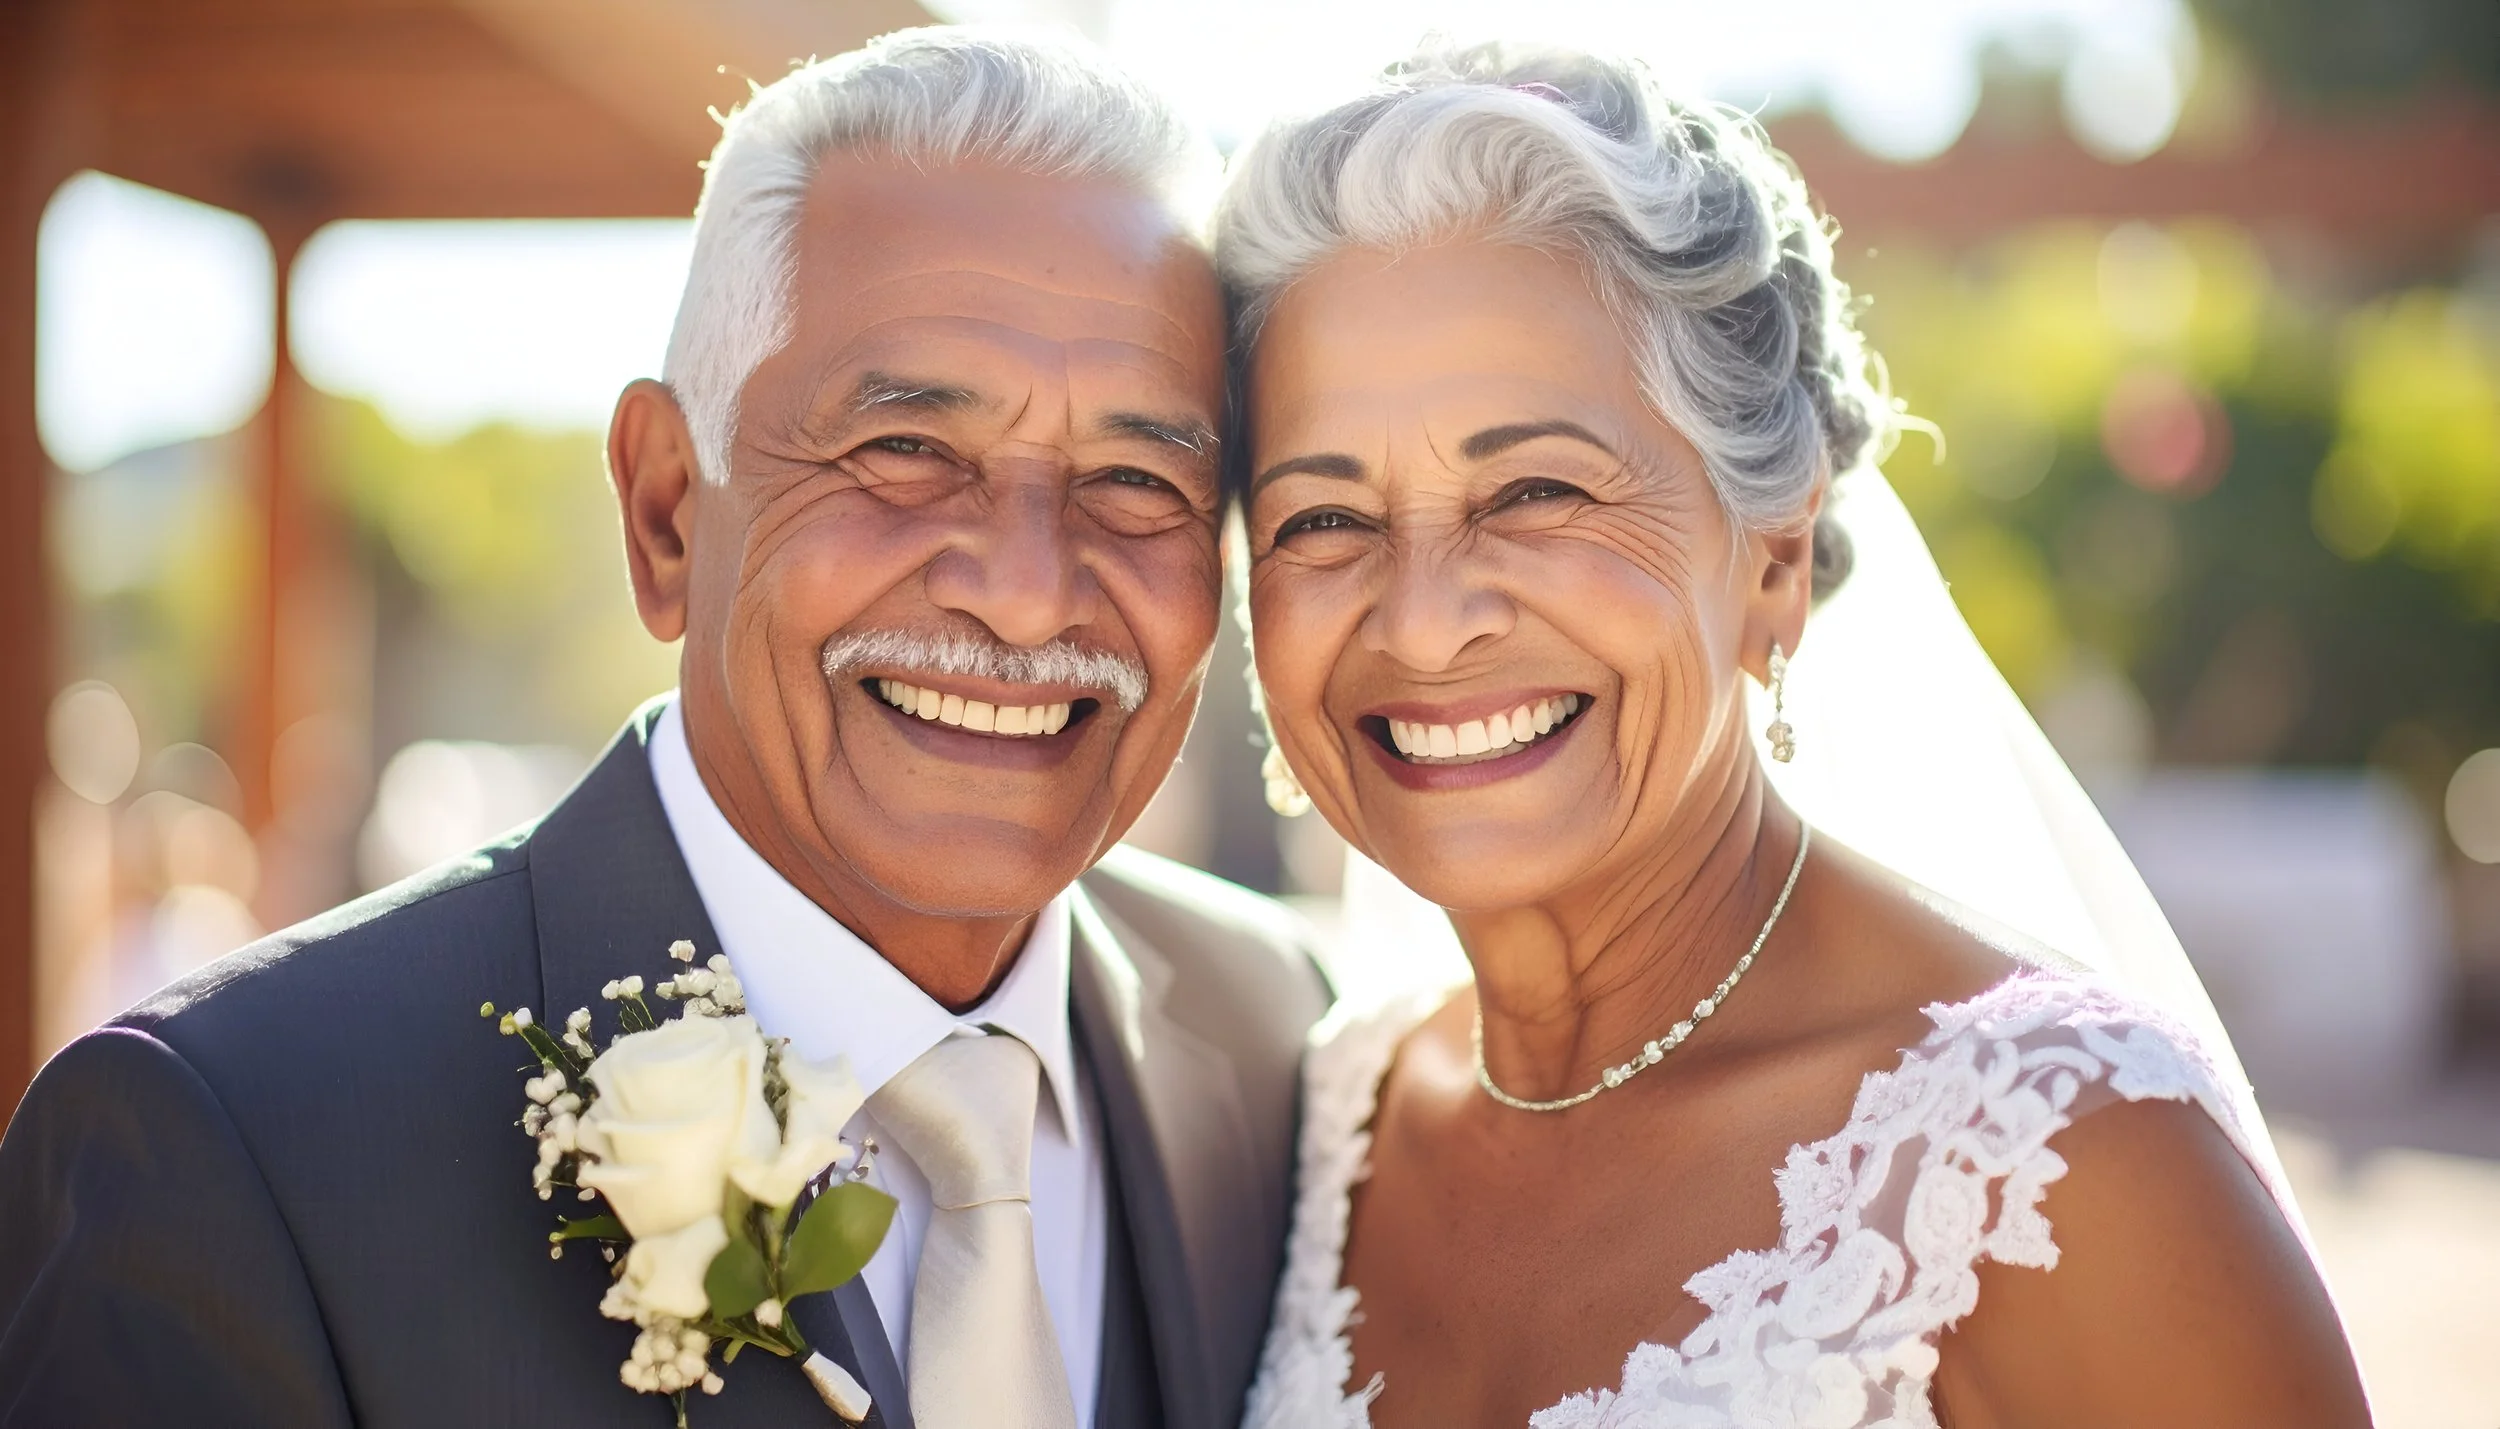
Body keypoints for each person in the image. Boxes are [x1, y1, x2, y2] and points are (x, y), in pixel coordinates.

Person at [0, 29, 1328, 1429]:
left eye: (1135, 478)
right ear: (666, 516)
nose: (1025, 588)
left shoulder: (1278, 1042)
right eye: (905, 451)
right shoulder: (233, 1149)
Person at [1217, 43, 2373, 1429]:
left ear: (1770, 558)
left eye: (1534, 491)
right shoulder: (1336, 1112)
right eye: (1323, 520)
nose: (1419, 623)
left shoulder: (2062, 1163)